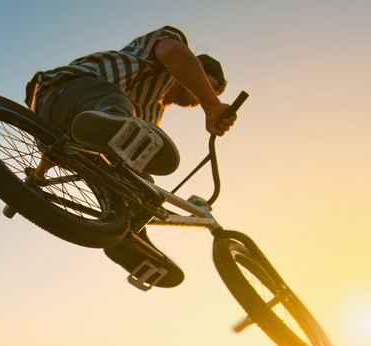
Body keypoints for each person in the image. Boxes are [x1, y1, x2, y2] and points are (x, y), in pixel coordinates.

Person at [26, 26, 235, 287]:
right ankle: (112, 120)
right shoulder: (161, 53)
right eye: (210, 87)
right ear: (199, 65)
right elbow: (177, 56)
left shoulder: (151, 114)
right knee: (119, 109)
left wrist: (144, 193)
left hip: (59, 133)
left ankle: (130, 235)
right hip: (68, 90)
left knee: (138, 179)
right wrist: (212, 106)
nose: (204, 95)